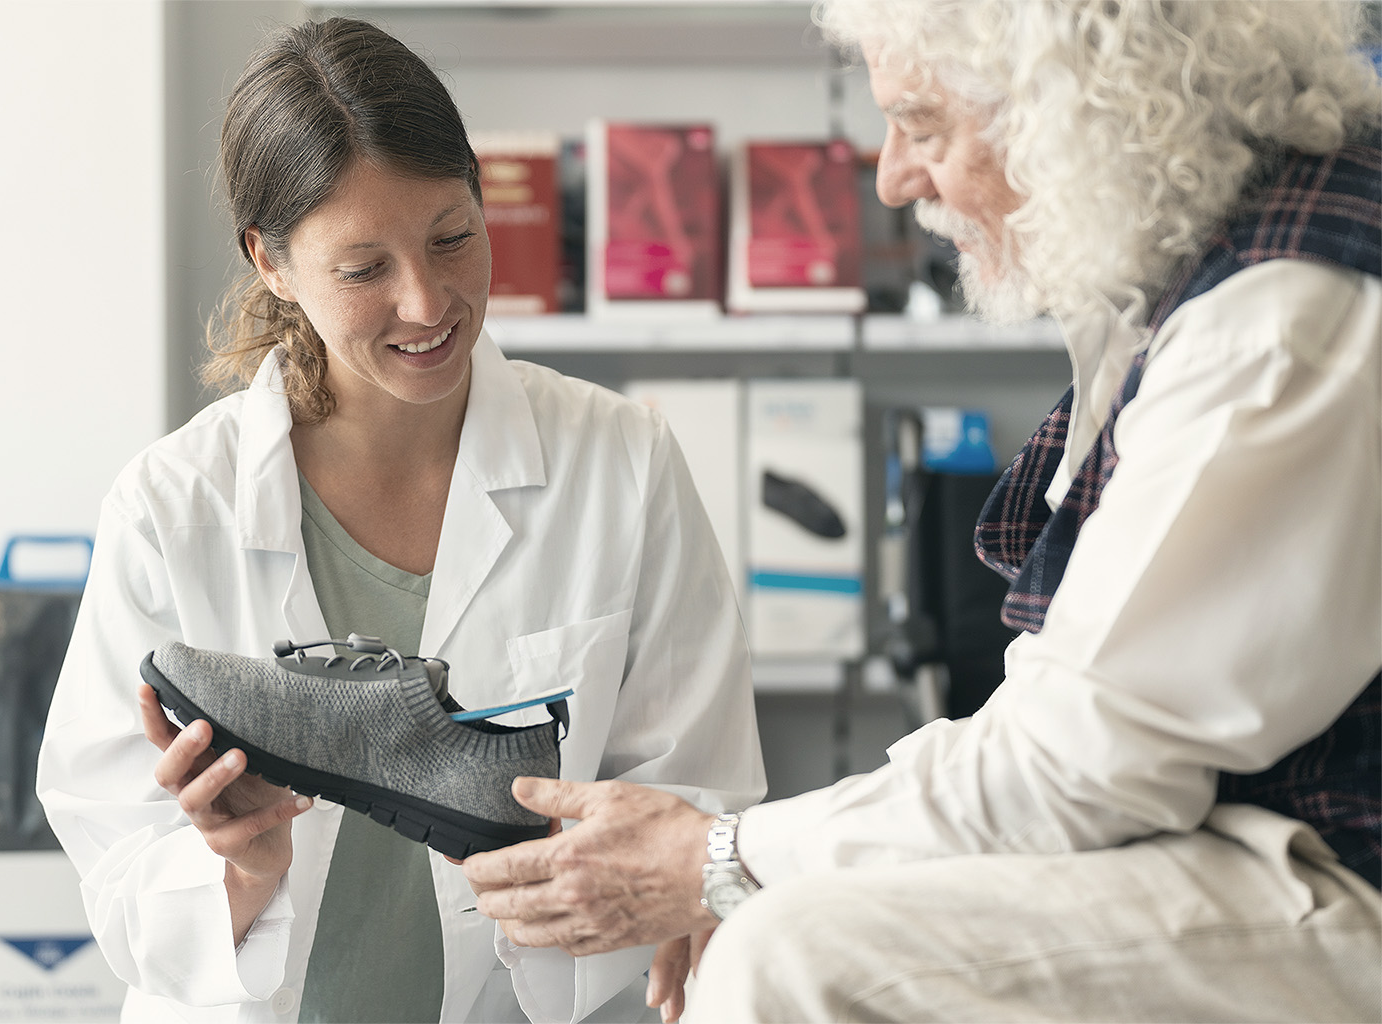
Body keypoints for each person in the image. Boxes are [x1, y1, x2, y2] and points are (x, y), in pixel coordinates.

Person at [461, 1, 1382, 1020]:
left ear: (1073, 113)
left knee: (791, 956)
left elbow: (1076, 767)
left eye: (925, 126)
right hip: (1246, 840)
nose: (893, 179)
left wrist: (717, 859)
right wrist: (737, 862)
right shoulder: (1209, 277)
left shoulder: (1280, 319)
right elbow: (1068, 733)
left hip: (1347, 877)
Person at [35, 17, 765, 1024]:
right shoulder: (173, 506)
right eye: (364, 267)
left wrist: (601, 877)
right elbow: (115, 873)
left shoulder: (620, 463)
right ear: (272, 262)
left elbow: (706, 808)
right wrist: (243, 869)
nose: (428, 301)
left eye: (453, 238)